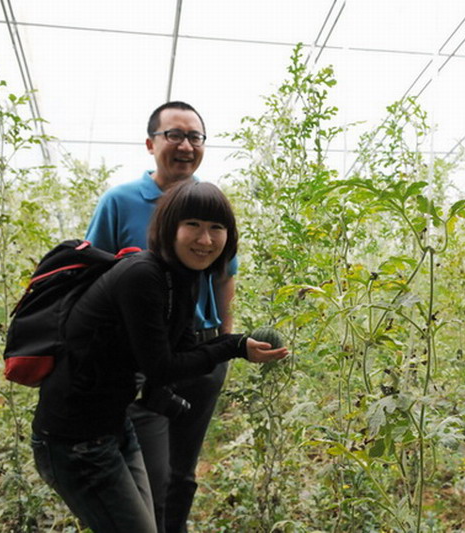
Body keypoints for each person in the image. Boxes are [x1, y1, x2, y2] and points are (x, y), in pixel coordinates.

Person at [31, 181, 289, 532]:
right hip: (75, 440)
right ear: (170, 228)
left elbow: (181, 350)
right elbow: (162, 368)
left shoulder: (182, 277)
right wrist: (235, 346)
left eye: (216, 227)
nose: (206, 239)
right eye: (193, 225)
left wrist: (237, 344)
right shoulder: (143, 275)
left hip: (113, 428)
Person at [83, 101, 234, 532]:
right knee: (150, 469)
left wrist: (223, 341)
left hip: (201, 352)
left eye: (195, 137)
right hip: (141, 359)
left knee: (183, 470)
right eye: (175, 135)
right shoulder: (120, 201)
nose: (186, 145)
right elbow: (93, 273)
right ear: (151, 144)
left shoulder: (209, 200)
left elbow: (225, 275)